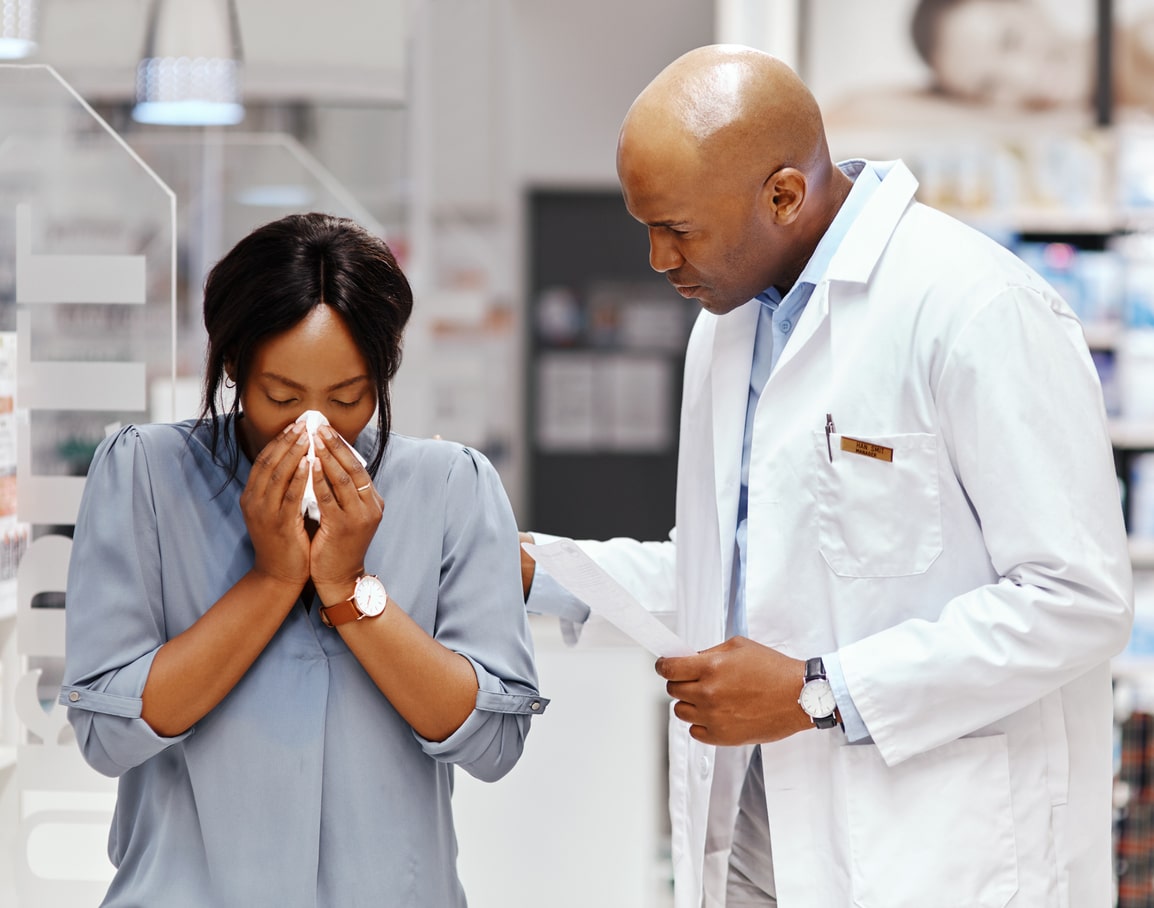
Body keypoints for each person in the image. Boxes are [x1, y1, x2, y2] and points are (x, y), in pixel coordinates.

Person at [521, 44, 1133, 907]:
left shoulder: (974, 308)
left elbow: (1078, 600)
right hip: (759, 833)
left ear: (783, 195)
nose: (658, 260)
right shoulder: (730, 325)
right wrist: (540, 570)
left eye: (679, 229)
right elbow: (732, 577)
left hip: (933, 848)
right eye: (645, 226)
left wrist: (821, 693)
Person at [60, 212, 547, 907]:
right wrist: (270, 580)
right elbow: (107, 737)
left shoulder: (451, 487)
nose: (313, 425)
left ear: (384, 374)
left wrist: (349, 591)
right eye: (281, 397)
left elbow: (493, 746)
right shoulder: (146, 473)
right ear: (234, 366)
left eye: (349, 398)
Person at [910, 0, 1154, 111]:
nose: (1022, 77)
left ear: (1028, 5)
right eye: (989, 85)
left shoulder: (1145, 44)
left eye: (1011, 40)